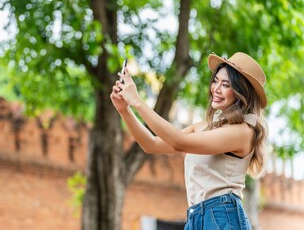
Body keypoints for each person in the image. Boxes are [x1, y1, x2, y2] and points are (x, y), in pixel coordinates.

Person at [110, 52, 268, 230]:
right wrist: (125, 110)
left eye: (226, 85)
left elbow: (179, 142)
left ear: (241, 93)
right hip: (196, 217)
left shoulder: (242, 132)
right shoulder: (203, 128)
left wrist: (138, 101)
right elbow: (152, 144)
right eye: (215, 81)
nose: (216, 88)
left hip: (223, 216)